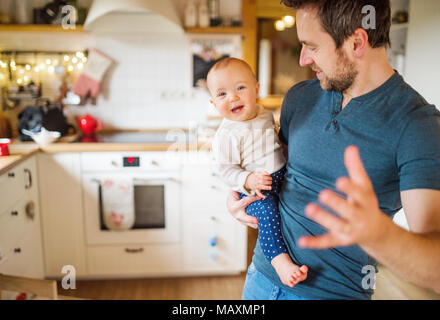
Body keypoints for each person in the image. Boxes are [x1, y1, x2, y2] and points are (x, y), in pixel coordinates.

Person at [227, 0, 440, 300]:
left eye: (311, 46)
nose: (302, 59)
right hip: (261, 277)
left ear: (356, 42)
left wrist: (380, 235)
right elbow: (275, 173)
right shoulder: (299, 98)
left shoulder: (418, 125)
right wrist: (242, 192)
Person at [207, 57, 309, 288]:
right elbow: (226, 170)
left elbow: (274, 142)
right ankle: (280, 263)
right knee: (267, 216)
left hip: (280, 176)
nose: (232, 97)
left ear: (256, 89)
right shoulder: (227, 134)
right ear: (214, 104)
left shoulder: (263, 114)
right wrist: (248, 179)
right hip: (255, 189)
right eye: (222, 94)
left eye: (240, 88)